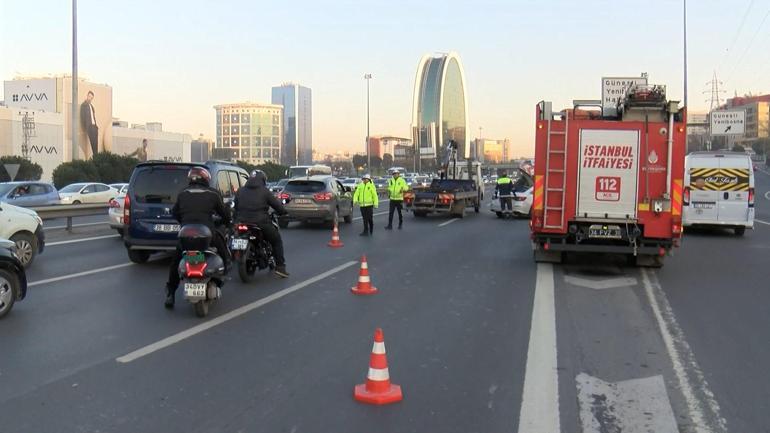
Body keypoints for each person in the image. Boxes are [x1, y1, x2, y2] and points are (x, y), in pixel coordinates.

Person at [164, 167, 231, 309]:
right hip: (207, 234)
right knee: (222, 248)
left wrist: (184, 221)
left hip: (186, 234)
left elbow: (175, 213)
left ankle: (170, 292)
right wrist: (226, 221)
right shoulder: (213, 193)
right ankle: (224, 272)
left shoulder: (182, 193)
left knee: (176, 260)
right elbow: (224, 214)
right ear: (206, 179)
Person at [233, 170, 289, 278]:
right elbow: (276, 205)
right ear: (263, 180)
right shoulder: (265, 191)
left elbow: (235, 207)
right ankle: (280, 267)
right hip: (260, 223)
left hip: (242, 222)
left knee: (233, 236)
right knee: (276, 240)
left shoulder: (240, 191)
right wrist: (283, 212)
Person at [80, 91, 99, 157]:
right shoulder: (83, 105)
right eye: (89, 96)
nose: (90, 98)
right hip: (89, 127)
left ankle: (96, 159)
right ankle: (96, 158)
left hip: (94, 127)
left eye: (91, 97)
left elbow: (93, 117)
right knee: (93, 144)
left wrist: (96, 126)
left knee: (96, 146)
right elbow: (82, 117)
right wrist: (84, 128)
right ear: (87, 96)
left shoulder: (92, 106)